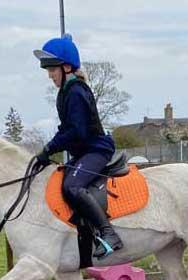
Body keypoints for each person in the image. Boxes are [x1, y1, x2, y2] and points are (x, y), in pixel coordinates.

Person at [33, 34, 123, 258]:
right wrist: (47, 151)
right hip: (84, 151)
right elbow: (66, 130)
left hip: (96, 150)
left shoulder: (75, 91)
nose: (50, 76)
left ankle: (109, 233)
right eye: (48, 71)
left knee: (72, 187)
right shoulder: (65, 93)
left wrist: (49, 149)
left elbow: (76, 131)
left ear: (66, 67)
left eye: (52, 70)